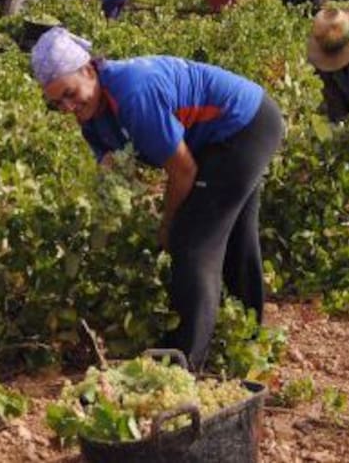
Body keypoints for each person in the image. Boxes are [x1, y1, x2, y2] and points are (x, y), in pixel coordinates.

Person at [30, 27, 284, 370]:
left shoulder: (134, 94)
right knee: (235, 234)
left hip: (244, 126)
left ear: (89, 70)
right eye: (57, 102)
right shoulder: (90, 116)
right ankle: (248, 341)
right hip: (213, 139)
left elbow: (183, 171)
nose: (68, 106)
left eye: (71, 94)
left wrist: (166, 223)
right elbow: (116, 168)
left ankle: (185, 364)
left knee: (192, 243)